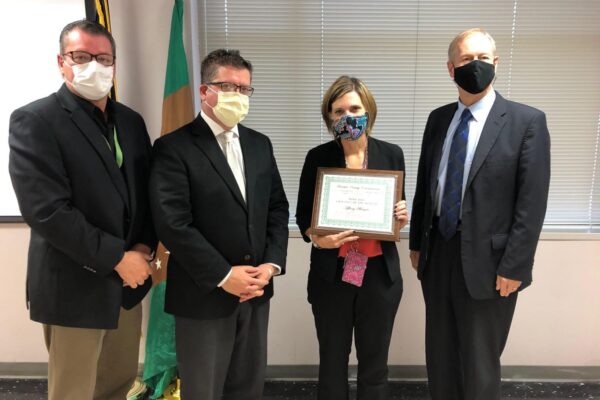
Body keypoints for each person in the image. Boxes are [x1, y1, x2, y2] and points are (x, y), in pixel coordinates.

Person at [8, 20, 156, 400]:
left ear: (114, 65)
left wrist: (142, 249)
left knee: (118, 385)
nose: (94, 65)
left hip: (128, 286)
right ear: (61, 62)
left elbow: (147, 195)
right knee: (73, 392)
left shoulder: (132, 122)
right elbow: (47, 212)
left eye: (103, 58)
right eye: (81, 56)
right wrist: (118, 258)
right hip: (75, 286)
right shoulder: (36, 120)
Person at [409, 28, 551, 400]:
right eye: (467, 59)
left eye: (484, 58)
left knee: (479, 362)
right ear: (451, 68)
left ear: (496, 64)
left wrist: (515, 265)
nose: (476, 66)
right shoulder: (438, 119)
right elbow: (428, 184)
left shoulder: (526, 122)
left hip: (492, 264)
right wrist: (416, 244)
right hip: (437, 255)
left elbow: (531, 202)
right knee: (439, 357)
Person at [149, 48, 289, 400]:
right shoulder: (173, 147)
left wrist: (270, 266)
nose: (237, 96)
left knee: (247, 388)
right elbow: (173, 223)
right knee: (204, 391)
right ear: (204, 91)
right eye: (227, 86)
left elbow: (276, 209)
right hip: (203, 296)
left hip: (256, 293)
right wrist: (226, 276)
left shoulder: (260, 145)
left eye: (244, 89)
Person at [296, 76, 409, 400]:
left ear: (368, 110)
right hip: (333, 275)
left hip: (379, 276)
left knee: (375, 363)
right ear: (329, 117)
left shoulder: (391, 154)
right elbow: (304, 217)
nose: (348, 116)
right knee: (332, 362)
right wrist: (318, 240)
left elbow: (398, 208)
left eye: (355, 108)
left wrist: (402, 214)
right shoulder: (317, 157)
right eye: (339, 110)